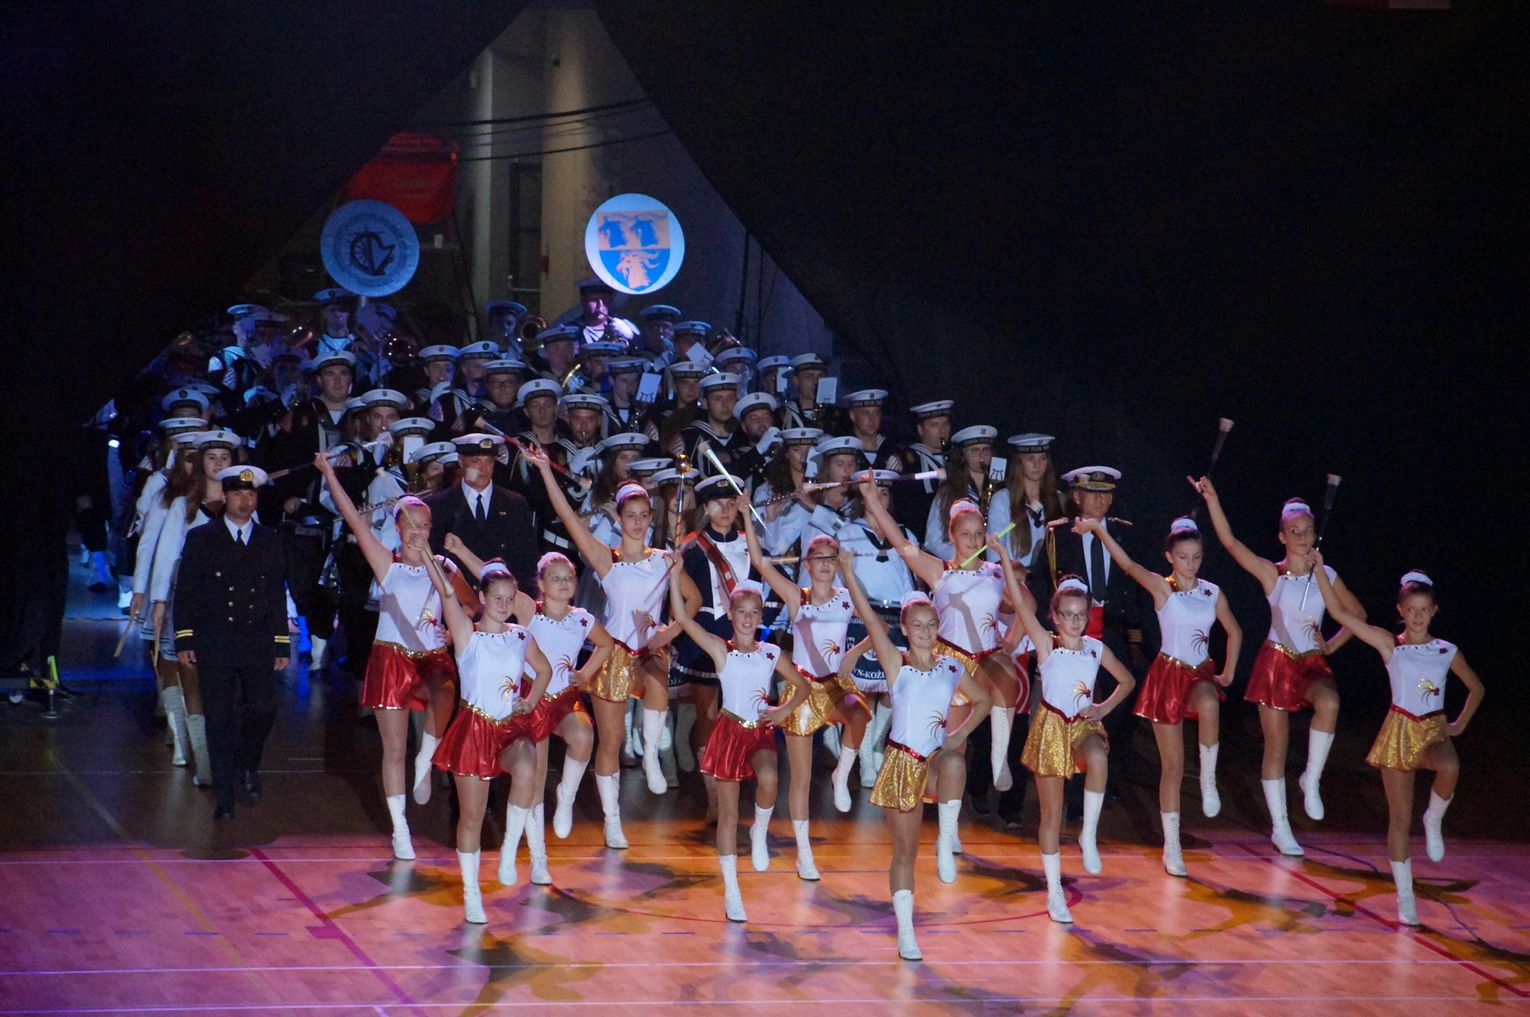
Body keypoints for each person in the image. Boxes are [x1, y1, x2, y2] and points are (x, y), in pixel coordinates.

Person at [1193, 476, 1366, 856]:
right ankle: (1281, 827)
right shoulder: (1273, 574)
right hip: (1276, 661)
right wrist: (1213, 499)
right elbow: (1231, 543)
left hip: (1311, 662)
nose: (1302, 537)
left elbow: (1358, 615)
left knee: (1330, 702)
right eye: (1294, 531)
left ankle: (1311, 779)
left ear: (1315, 534)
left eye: (1308, 530)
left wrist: (1331, 645)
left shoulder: (1327, 575)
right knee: (1277, 746)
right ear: (1282, 537)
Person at [316, 451, 474, 859]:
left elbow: (471, 606)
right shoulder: (388, 565)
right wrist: (329, 473)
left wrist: (452, 627)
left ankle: (427, 759)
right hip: (391, 658)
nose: (418, 532)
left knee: (446, 689)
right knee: (393, 748)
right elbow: (353, 519)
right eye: (411, 526)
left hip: (431, 656)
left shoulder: (443, 565)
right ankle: (400, 828)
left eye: (425, 526)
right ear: (398, 529)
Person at [523, 446, 683, 838]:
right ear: (619, 518)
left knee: (658, 679)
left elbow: (690, 604)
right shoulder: (606, 558)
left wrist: (669, 631)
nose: (638, 523)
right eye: (631, 516)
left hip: (649, 649)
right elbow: (567, 517)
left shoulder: (665, 559)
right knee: (610, 742)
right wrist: (546, 471)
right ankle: (610, 820)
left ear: (651, 518)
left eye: (644, 516)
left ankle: (650, 756)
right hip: (614, 653)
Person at [1311, 563, 1484, 925]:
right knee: (1399, 819)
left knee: (1450, 766)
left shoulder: (1446, 650)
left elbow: (1476, 688)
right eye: (1411, 610)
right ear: (1401, 611)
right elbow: (1340, 613)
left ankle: (1433, 818)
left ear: (1434, 611)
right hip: (1400, 730)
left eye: (1424, 610)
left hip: (1433, 730)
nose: (1417, 617)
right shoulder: (1391, 645)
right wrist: (1320, 572)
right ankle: (1406, 896)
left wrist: (1459, 724)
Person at [1077, 515, 1242, 876]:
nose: (1190, 563)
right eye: (1183, 557)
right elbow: (1127, 564)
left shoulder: (1212, 592)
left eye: (1196, 557)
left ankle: (1208, 779)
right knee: (1172, 767)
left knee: (1210, 700)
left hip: (1199, 673)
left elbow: (1234, 630)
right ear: (1170, 557)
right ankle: (1172, 846)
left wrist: (1229, 670)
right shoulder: (1162, 588)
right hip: (1168, 674)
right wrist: (1100, 529)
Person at [845, 574, 989, 961]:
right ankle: (906, 932)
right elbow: (870, 618)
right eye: (917, 625)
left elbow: (984, 700)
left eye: (931, 624)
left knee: (955, 759)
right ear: (906, 629)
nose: (925, 631)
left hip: (935, 759)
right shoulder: (898, 664)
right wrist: (848, 571)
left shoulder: (952, 667)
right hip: (901, 763)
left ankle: (946, 840)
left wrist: (959, 734)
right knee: (904, 853)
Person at [861, 476, 1029, 799]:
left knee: (1007, 674)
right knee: (953, 750)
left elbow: (1027, 605)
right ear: (951, 536)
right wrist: (872, 502)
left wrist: (1010, 640)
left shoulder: (995, 572)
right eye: (965, 534)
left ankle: (999, 759)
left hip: (987, 659)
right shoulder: (940, 571)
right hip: (952, 663)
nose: (973, 539)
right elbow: (902, 545)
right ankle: (939, 809)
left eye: (978, 533)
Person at [668, 571, 809, 921]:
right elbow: (683, 617)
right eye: (741, 612)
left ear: (761, 616)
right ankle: (732, 891)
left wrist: (783, 709)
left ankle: (760, 830)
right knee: (728, 816)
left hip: (759, 731)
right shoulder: (721, 650)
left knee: (770, 779)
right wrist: (673, 574)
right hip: (730, 732)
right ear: (730, 614)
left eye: (754, 613)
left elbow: (803, 686)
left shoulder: (770, 653)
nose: (747, 619)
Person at [420, 553, 553, 923]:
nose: (505, 605)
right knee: (471, 818)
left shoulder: (521, 636)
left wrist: (531, 701)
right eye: (498, 598)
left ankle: (509, 851)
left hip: (509, 726)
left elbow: (543, 671)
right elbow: (446, 593)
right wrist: (428, 554)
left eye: (510, 599)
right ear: (482, 597)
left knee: (527, 765)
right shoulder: (468, 635)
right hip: (474, 728)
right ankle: (471, 892)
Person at [741, 506, 870, 880]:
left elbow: (877, 626)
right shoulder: (797, 596)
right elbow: (760, 562)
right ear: (808, 565)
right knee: (799, 778)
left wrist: (854, 653)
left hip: (834, 685)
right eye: (820, 558)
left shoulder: (847, 596)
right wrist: (748, 515)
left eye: (832, 557)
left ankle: (842, 774)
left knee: (860, 715)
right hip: (802, 687)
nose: (827, 564)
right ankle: (804, 852)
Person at [1014, 574, 1136, 923]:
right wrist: (1003, 560)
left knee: (1098, 755)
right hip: (1051, 727)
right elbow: (1021, 605)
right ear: (1055, 616)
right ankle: (1055, 892)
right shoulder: (1047, 644)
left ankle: (1089, 834)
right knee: (1051, 816)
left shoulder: (1096, 648)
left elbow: (1127, 680)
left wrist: (1102, 709)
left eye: (1080, 614)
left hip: (1083, 724)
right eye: (1067, 614)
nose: (1074, 620)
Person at [171, 466, 289, 819]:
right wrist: (185, 637)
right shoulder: (201, 538)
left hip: (257, 639)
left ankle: (246, 762)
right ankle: (224, 798)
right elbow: (186, 590)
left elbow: (275, 593)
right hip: (216, 639)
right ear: (225, 496)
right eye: (237, 493)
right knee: (219, 718)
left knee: (263, 707)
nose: (244, 500)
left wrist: (281, 643)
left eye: (251, 494)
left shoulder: (269, 539)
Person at [150, 428, 243, 787]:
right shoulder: (182, 505)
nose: (218, 464)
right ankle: (202, 761)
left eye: (225, 458)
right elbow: (166, 555)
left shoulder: (242, 503)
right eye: (211, 458)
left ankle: (217, 754)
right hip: (191, 603)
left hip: (231, 607)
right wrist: (159, 601)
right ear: (201, 462)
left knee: (225, 684)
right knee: (190, 677)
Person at [668, 475, 760, 820]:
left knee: (743, 716)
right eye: (718, 503)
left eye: (731, 503)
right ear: (706, 507)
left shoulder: (750, 544)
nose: (725, 509)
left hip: (744, 641)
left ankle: (735, 785)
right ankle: (713, 800)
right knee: (707, 718)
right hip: (705, 638)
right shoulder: (692, 546)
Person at [424, 433, 540, 588]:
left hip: (505, 597)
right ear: (460, 462)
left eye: (489, 461)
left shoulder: (514, 504)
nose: (483, 468)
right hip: (458, 596)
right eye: (476, 461)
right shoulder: (438, 505)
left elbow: (527, 562)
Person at [923, 425, 1010, 561]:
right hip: (963, 566)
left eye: (986, 450)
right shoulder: (949, 490)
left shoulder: (1004, 489)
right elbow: (933, 540)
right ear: (963, 455)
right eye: (974, 451)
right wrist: (963, 560)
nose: (981, 455)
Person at [891, 399, 952, 533]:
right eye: (934, 425)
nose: (942, 431)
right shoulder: (905, 460)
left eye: (945, 424)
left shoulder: (957, 459)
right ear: (920, 429)